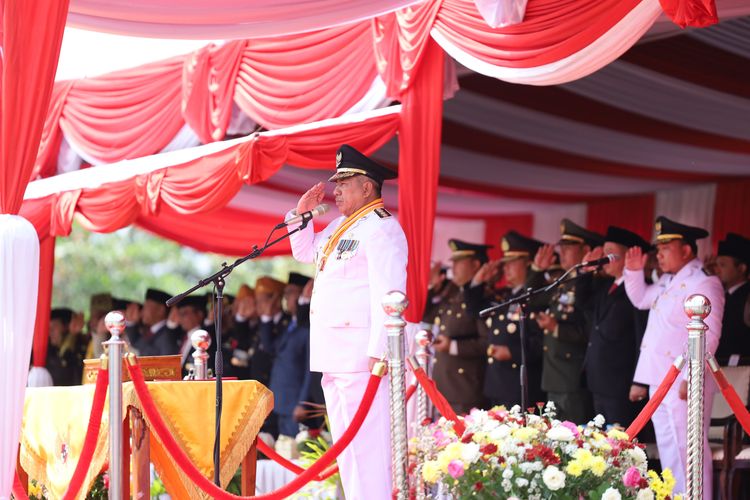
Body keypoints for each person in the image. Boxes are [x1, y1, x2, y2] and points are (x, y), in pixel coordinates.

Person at [287, 144, 407, 500]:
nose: (335, 190)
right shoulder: (342, 225)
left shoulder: (381, 228)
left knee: (369, 450)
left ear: (367, 188)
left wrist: (379, 353)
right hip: (334, 355)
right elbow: (306, 253)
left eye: (344, 182)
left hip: (361, 359)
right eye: (336, 182)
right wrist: (301, 215)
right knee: (347, 449)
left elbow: (390, 296)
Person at [624, 216, 724, 498]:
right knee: (669, 448)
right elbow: (641, 299)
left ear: (687, 251)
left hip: (683, 380)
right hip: (661, 378)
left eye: (667, 247)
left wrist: (692, 376)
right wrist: (633, 272)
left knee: (688, 447)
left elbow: (710, 335)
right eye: (659, 248)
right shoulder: (668, 281)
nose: (660, 253)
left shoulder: (705, 282)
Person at [580, 226, 650, 429]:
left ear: (628, 256)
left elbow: (641, 336)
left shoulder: (638, 288)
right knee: (601, 441)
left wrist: (640, 380)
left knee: (621, 440)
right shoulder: (606, 286)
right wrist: (587, 272)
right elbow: (583, 303)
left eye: (609, 253)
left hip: (621, 380)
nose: (604, 258)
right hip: (599, 378)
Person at [534, 219, 603, 423]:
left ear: (586, 250)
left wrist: (556, 328)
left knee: (573, 438)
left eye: (568, 248)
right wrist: (537, 271)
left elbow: (591, 330)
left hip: (573, 376)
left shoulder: (593, 284)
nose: (562, 253)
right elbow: (531, 302)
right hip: (553, 376)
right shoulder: (564, 282)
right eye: (561, 248)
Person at [471, 231, 547, 409]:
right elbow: (475, 310)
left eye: (512, 263)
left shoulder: (537, 297)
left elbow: (541, 343)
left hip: (519, 386)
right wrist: (477, 281)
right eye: (505, 264)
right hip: (496, 384)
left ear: (529, 264)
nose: (506, 269)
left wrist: (512, 352)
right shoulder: (506, 295)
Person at [425, 239, 491, 414]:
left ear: (476, 264)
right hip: (444, 387)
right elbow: (425, 316)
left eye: (459, 262)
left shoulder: (482, 297)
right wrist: (432, 285)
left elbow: (488, 343)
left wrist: (453, 346)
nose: (453, 267)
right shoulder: (454, 292)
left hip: (464, 390)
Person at [259, 273, 314, 439]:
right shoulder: (290, 325)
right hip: (281, 401)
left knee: (295, 452)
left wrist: (303, 403)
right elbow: (270, 348)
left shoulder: (307, 327)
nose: (286, 298)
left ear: (302, 295)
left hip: (295, 404)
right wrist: (267, 316)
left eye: (290, 293)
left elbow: (310, 369)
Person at [712, 233, 750, 364]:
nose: (717, 270)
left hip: (740, 371)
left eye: (722, 265)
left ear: (741, 268)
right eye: (716, 265)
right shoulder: (718, 293)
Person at [125, 288, 182, 357]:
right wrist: (131, 323)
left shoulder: (168, 334)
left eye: (146, 307)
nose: (142, 312)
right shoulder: (151, 331)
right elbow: (138, 343)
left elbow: (162, 358)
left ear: (160, 310)